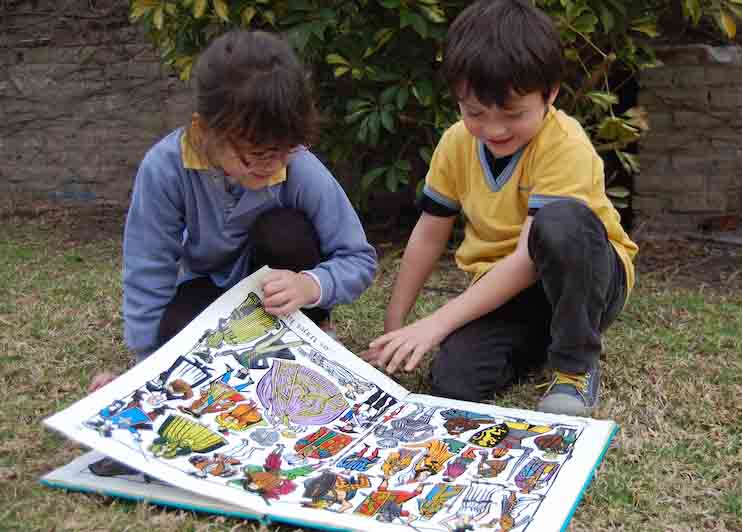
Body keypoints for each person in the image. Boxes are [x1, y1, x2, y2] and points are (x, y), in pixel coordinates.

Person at [361, 0, 638, 417]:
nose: (493, 129)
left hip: (586, 277)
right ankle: (542, 341)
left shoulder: (565, 145)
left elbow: (528, 258)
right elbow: (429, 234)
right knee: (454, 382)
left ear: (551, 93)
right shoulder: (456, 143)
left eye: (512, 113)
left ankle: (574, 365)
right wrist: (395, 328)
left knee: (560, 221)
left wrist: (436, 322)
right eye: (474, 112)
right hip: (506, 288)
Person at [90, 29, 377, 392]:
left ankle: (315, 337)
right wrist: (144, 369)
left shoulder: (297, 165)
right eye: (256, 155)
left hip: (282, 299)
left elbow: (358, 258)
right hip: (208, 291)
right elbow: (148, 270)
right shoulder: (165, 168)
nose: (272, 165)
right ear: (204, 131)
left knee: (285, 230)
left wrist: (310, 285)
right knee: (177, 344)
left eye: (283, 150)